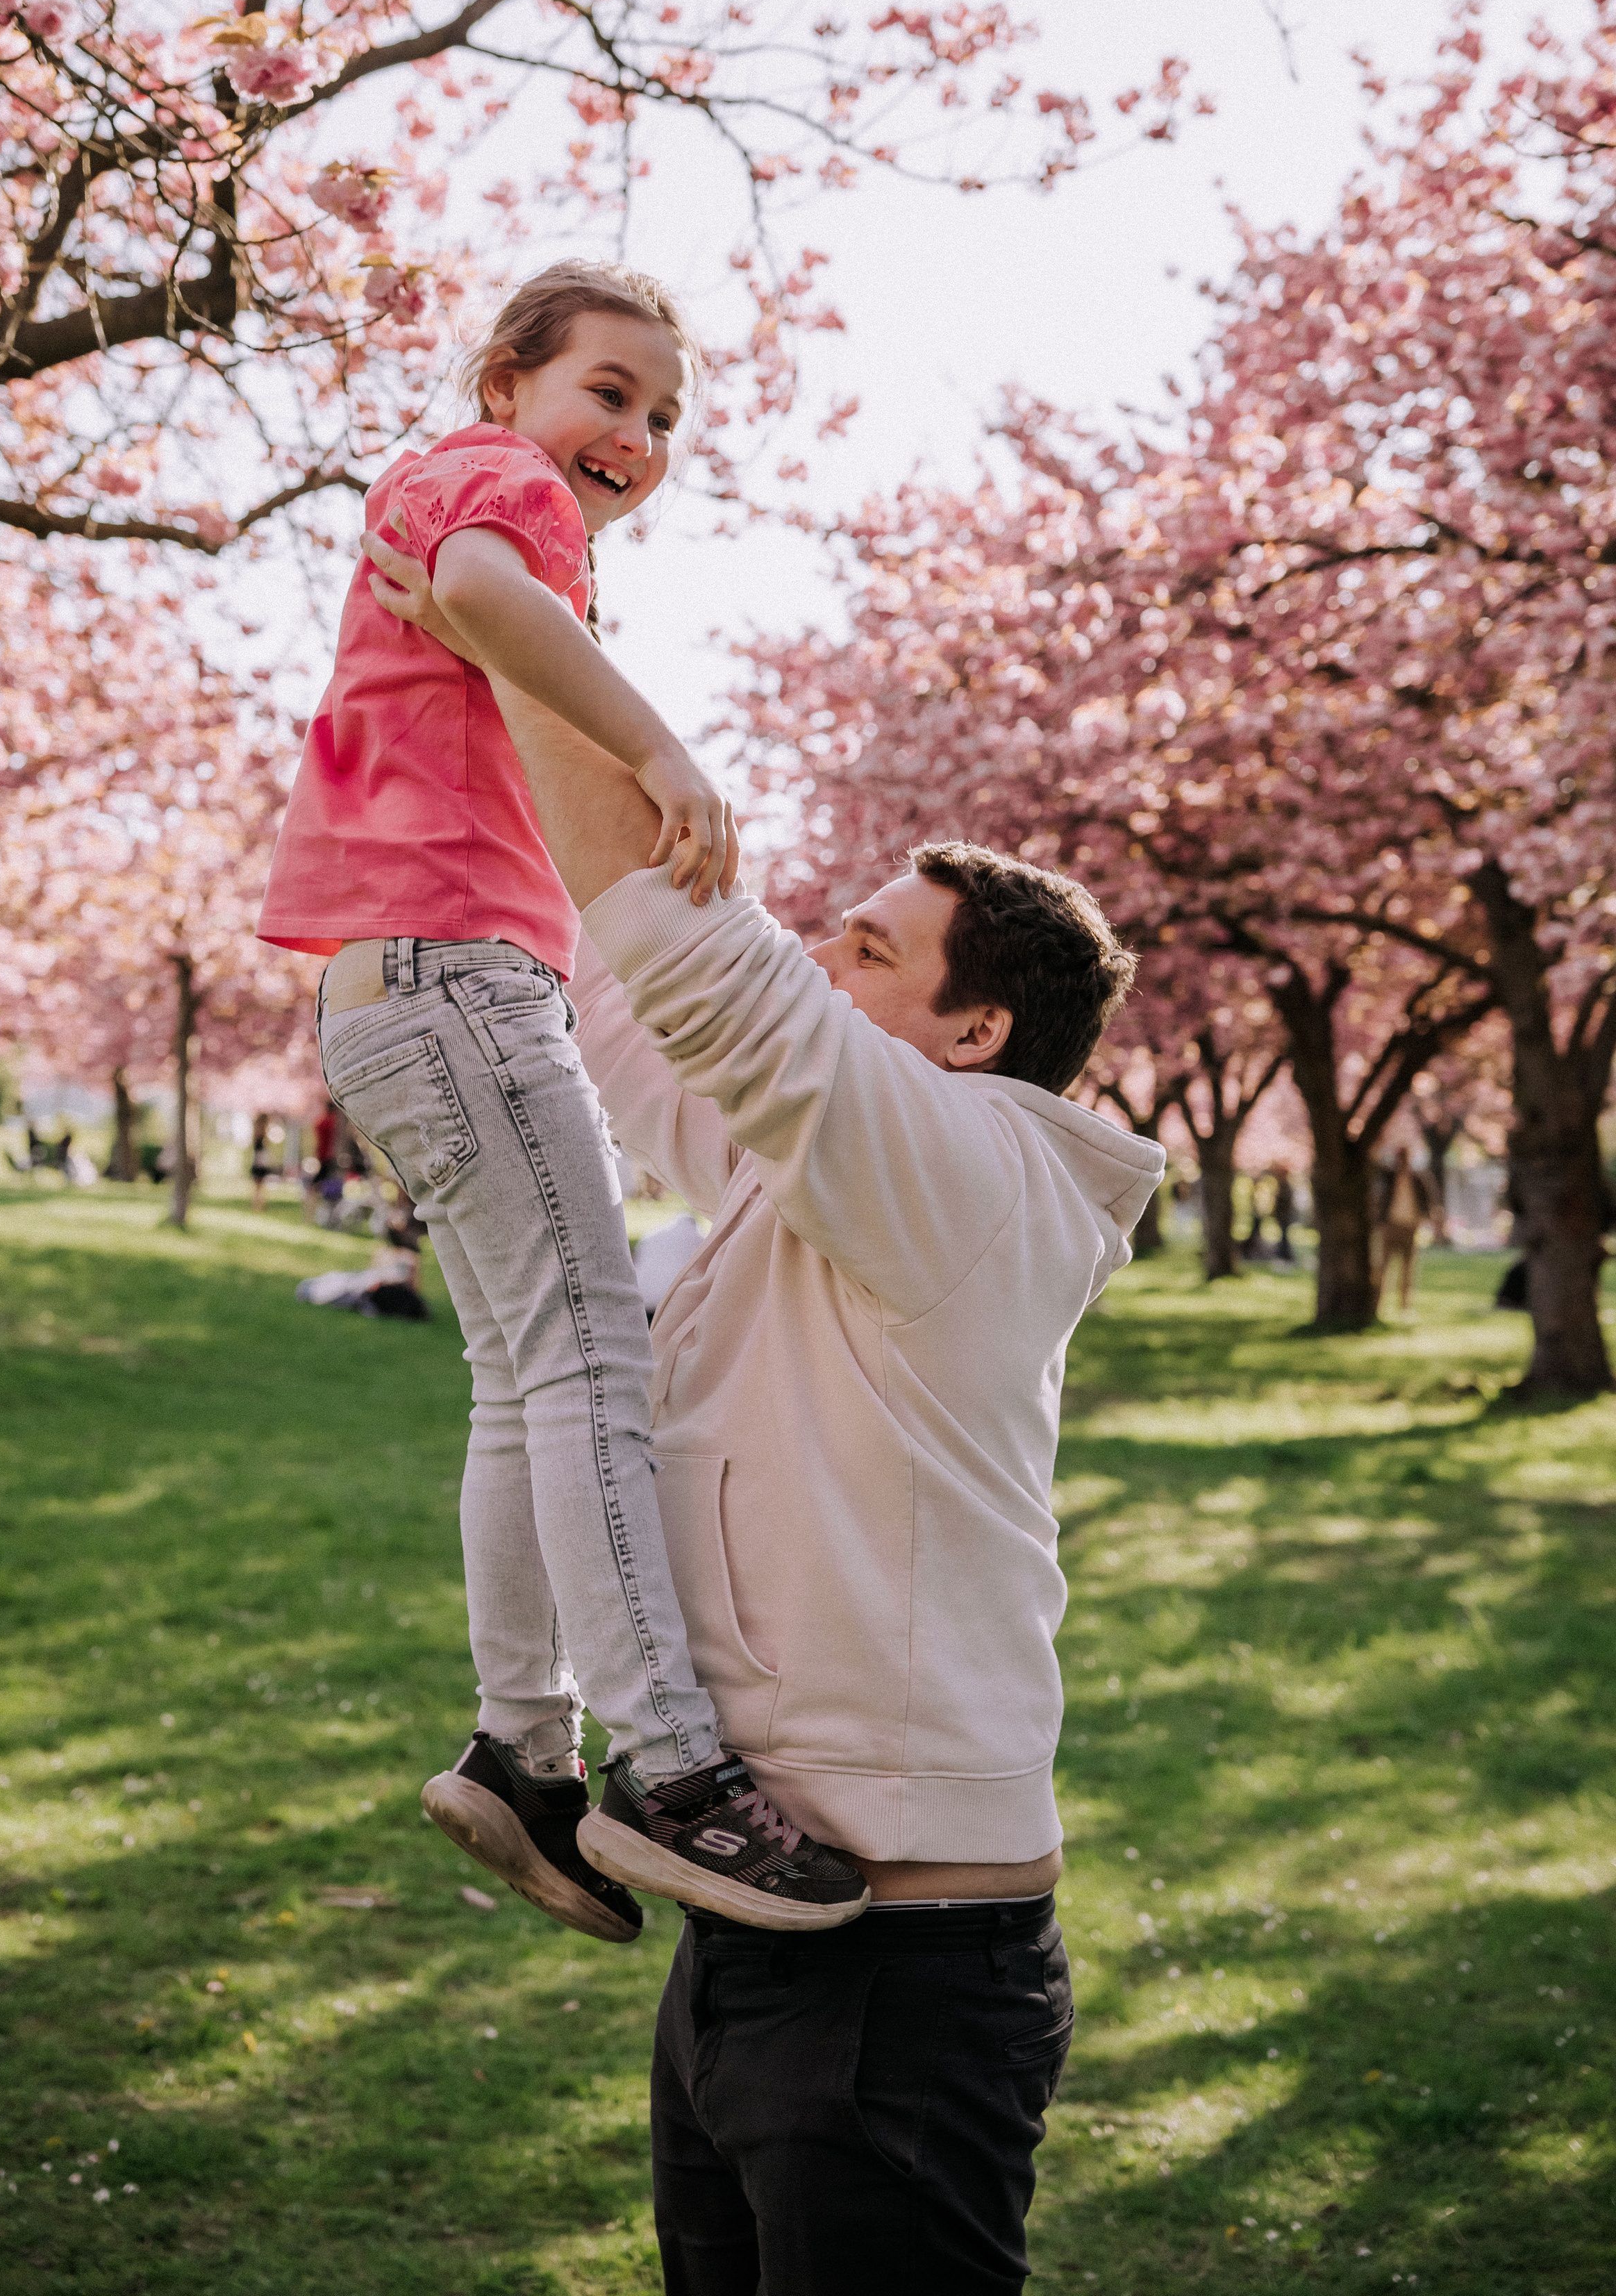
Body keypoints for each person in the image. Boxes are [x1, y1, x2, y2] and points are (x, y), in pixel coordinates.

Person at [444, 685, 1162, 2296]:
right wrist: (525, 664)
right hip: (746, 1915)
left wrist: (515, 619)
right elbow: (628, 984)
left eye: (867, 949)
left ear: (972, 1034)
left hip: (902, 1975)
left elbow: (705, 969)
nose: (815, 957)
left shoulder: (968, 1178)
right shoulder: (812, 1177)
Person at [258, 259, 863, 1942]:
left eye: (662, 416)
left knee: (525, 1377)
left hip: (405, 986)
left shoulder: (468, 494)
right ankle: (672, 1769)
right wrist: (665, 752)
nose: (636, 435)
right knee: (592, 1361)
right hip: (454, 975)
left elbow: (474, 611)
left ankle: (521, 1755)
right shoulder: (498, 486)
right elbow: (479, 581)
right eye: (610, 389)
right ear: (507, 380)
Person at [1374, 1146, 1436, 1315]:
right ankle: (1377, 1304)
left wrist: (1424, 1221)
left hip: (1410, 1227)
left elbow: (1427, 1202)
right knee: (1383, 1268)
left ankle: (1405, 1306)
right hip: (1391, 1226)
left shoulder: (1418, 1179)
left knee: (1408, 1270)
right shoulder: (1388, 1178)